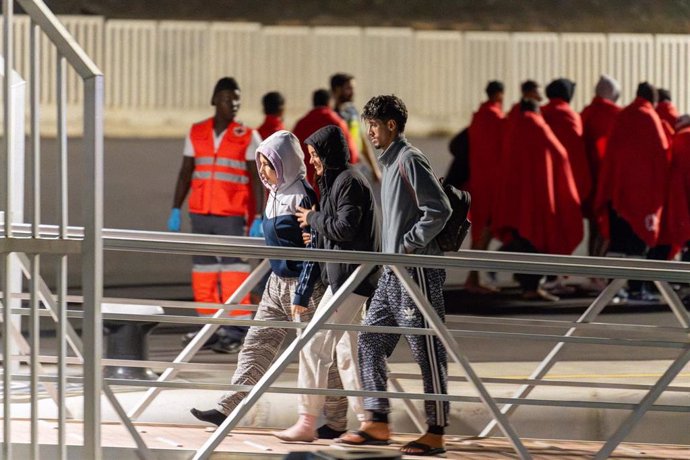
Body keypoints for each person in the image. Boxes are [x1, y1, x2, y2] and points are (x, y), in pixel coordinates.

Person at [190, 130, 329, 426]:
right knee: (256, 344)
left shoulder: (302, 196)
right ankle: (228, 407)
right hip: (276, 284)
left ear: (286, 163)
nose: (264, 171)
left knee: (317, 356)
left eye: (269, 164)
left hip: (303, 288)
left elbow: (312, 250)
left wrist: (302, 295)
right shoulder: (274, 194)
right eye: (262, 164)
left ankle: (338, 420)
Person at [338, 95, 452, 457]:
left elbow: (439, 209)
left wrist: (407, 245)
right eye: (367, 123)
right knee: (369, 341)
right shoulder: (390, 163)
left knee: (426, 350)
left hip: (415, 270)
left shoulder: (408, 159)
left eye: (374, 124)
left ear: (391, 125)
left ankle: (435, 431)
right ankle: (377, 420)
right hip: (392, 272)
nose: (369, 131)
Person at [273, 125, 381, 442]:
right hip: (347, 278)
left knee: (314, 343)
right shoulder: (338, 181)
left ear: (328, 154)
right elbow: (341, 230)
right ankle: (369, 420)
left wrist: (314, 220)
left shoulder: (347, 181)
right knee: (347, 351)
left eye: (315, 154)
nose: (312, 161)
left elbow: (346, 228)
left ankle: (307, 421)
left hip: (351, 279)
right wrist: (317, 231)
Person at [168, 77, 264, 354]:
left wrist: (258, 215)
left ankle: (236, 329)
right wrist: (176, 207)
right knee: (204, 271)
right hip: (200, 213)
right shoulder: (196, 132)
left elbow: (256, 179)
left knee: (234, 270)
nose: (233, 104)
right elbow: (186, 171)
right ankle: (208, 326)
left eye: (237, 99)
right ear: (214, 100)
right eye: (226, 98)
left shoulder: (247, 135)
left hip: (232, 214)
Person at [492, 99, 583, 301]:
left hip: (515, 198)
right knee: (535, 241)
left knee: (522, 239)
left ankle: (522, 278)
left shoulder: (515, 129)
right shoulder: (539, 127)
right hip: (537, 199)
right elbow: (560, 154)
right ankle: (530, 288)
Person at [594, 82, 670, 299]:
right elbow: (661, 156)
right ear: (653, 100)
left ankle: (611, 290)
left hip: (617, 193)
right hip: (642, 196)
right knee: (638, 244)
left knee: (618, 243)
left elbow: (609, 151)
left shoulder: (623, 115)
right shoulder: (650, 118)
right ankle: (636, 289)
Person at [463, 80, 505, 294]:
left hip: (476, 180)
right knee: (485, 231)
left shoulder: (478, 116)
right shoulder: (497, 118)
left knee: (479, 230)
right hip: (492, 183)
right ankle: (473, 277)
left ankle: (474, 276)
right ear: (499, 95)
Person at [581, 75, 622, 261]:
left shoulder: (586, 113)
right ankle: (599, 269)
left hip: (588, 177)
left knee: (593, 227)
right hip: (609, 180)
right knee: (606, 228)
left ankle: (592, 269)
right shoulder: (616, 114)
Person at [293, 89, 358, 186]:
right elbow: (352, 154)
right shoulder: (337, 122)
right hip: (334, 183)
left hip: (308, 183)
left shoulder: (301, 124)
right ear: (329, 102)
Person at [331, 72, 382, 182]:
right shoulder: (330, 115)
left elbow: (362, 141)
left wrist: (374, 169)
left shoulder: (353, 112)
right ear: (337, 89)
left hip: (356, 167)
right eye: (348, 88)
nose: (352, 92)